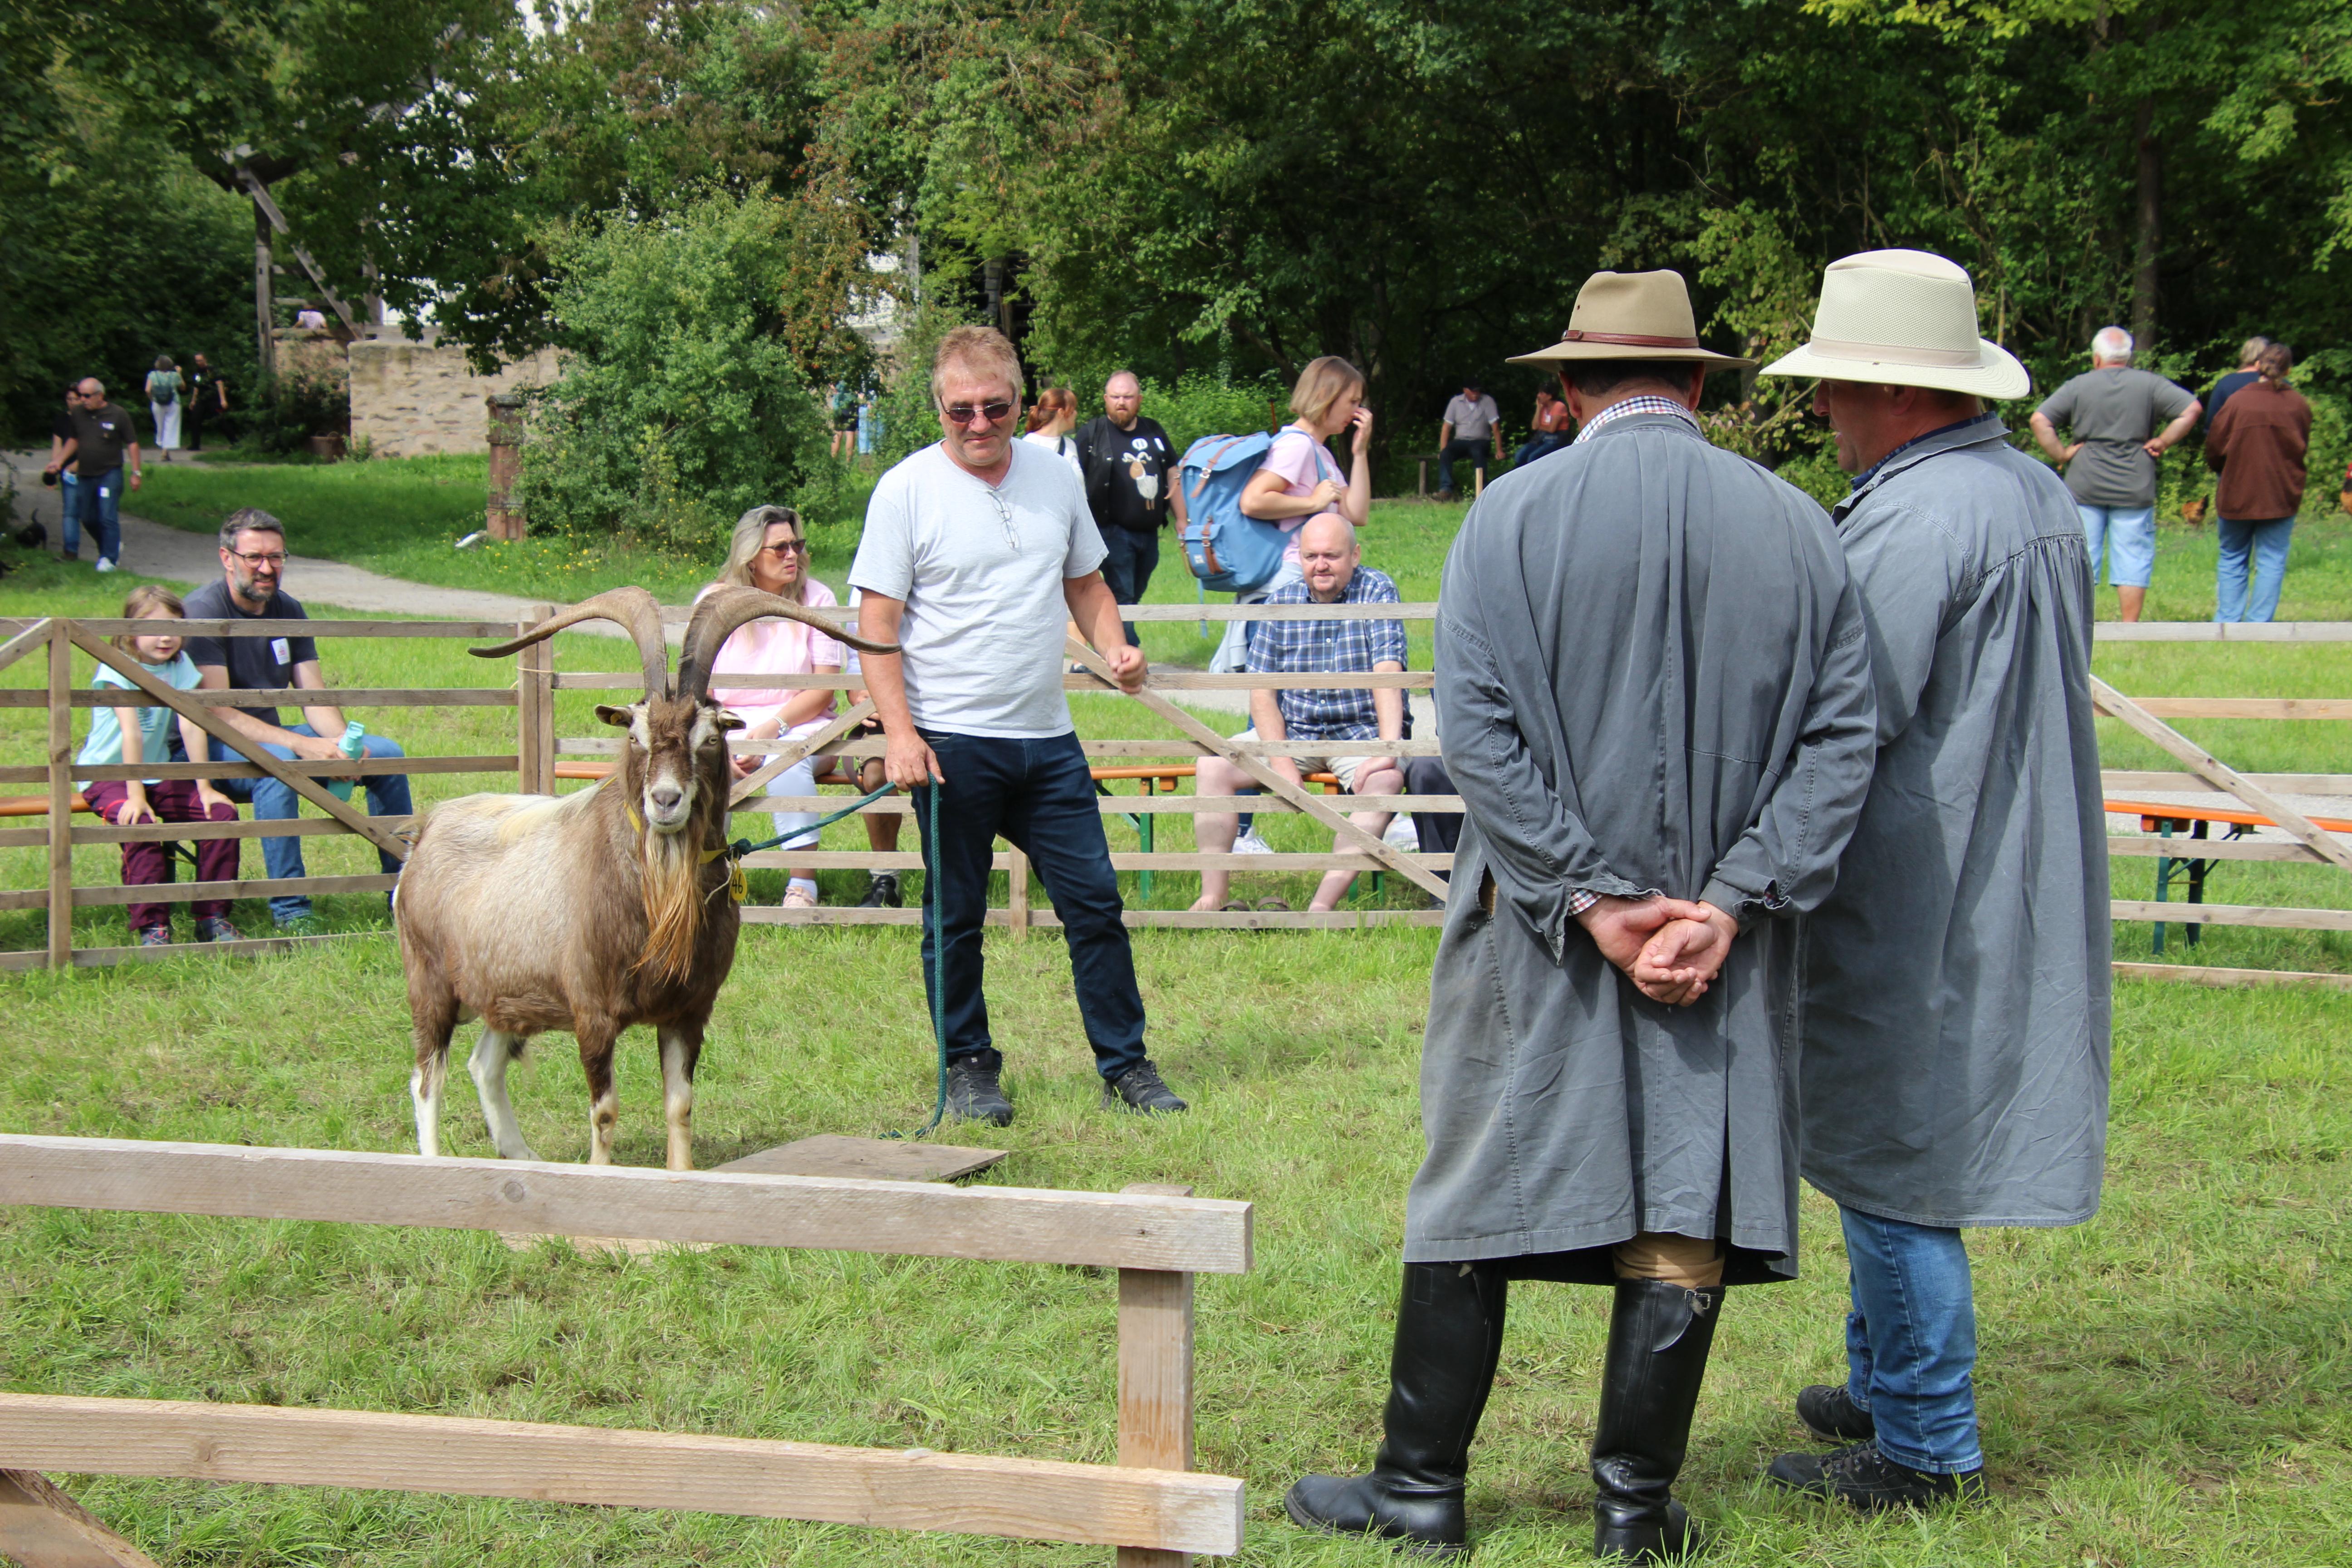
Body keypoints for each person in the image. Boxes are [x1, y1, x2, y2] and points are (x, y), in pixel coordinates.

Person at [1285, 269, 1878, 1564]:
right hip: (1719, 940)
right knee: (1687, 1188)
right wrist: (1726, 904)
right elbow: (1846, 741)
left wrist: (1593, 896)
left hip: (1537, 924)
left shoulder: (1507, 520)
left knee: (1482, 1176)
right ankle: (1630, 1514)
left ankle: (1422, 1492)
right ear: (1704, 385)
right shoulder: (1800, 526)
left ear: (1564, 391)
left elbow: (1478, 736)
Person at [1755, 248, 2111, 1511]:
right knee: (1881, 1134)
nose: (1824, 413)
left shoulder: (1916, 517)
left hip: (1922, 871)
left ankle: (1925, 1446)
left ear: (1898, 393)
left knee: (1897, 1155)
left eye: (1838, 388)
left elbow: (1851, 707)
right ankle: (1882, 1382)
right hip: (1992, 847)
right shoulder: (2027, 494)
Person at [853, 324, 1188, 1126]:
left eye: (993, 408)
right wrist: (900, 735)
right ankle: (969, 1069)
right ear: (937, 405)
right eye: (959, 410)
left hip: (1046, 741)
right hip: (950, 745)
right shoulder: (904, 491)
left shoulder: (1053, 475)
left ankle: (1126, 1066)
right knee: (955, 918)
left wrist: (1115, 645)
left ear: (1017, 398)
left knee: (1094, 905)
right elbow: (875, 626)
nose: (977, 425)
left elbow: (1087, 583)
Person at [184, 509, 413, 931]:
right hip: (206, 747)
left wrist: (344, 742)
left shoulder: (288, 608)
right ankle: (292, 911)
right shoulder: (203, 611)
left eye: (276, 557)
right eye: (254, 557)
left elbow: (312, 695)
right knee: (278, 769)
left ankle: (403, 895)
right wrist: (300, 745)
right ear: (227, 557)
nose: (267, 568)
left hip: (270, 739)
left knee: (386, 755)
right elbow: (215, 711)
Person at [1189, 514, 1405, 914]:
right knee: (1213, 767)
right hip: (1296, 730)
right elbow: (1262, 693)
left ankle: (1320, 907)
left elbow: (1388, 674)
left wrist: (1387, 748)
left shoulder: (1377, 590)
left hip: (1360, 733)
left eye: (1331, 556)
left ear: (1355, 556)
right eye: (1311, 556)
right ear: (1300, 558)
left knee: (1386, 781)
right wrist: (1281, 759)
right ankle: (1214, 895)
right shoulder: (1281, 601)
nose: (1320, 565)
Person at [75, 586, 243, 947]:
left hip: (158, 771)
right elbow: (131, 733)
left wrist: (205, 788)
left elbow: (190, 724)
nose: (166, 637)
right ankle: (152, 926)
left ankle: (212, 917)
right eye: (153, 627)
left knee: (220, 817)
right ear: (130, 629)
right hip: (109, 775)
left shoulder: (180, 666)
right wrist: (136, 797)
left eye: (174, 626)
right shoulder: (117, 667)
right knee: (141, 823)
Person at [699, 505, 845, 908]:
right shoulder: (716, 601)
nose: (792, 555)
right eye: (779, 548)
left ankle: (802, 885)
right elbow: (699, 686)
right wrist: (722, 746)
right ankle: (709, 879)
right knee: (705, 767)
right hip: (730, 726)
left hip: (803, 725)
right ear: (750, 556)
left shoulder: (818, 597)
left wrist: (772, 729)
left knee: (787, 762)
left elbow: (824, 687)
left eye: (797, 545)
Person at [1210, 356, 1374, 680]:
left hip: (1300, 584)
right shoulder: (1296, 446)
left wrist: (1360, 452)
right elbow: (1253, 500)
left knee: (1285, 699)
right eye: (1352, 402)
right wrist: (1313, 501)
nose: (1357, 412)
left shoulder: (1318, 450)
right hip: (1283, 587)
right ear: (1326, 395)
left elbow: (1356, 514)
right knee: (1273, 700)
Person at [2029, 327, 2201, 622]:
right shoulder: (2150, 384)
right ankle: (2130, 626)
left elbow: (2039, 419)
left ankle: (2078, 623)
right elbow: (2192, 409)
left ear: (2097, 358)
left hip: (2085, 483)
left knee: (2081, 556)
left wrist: (2061, 454)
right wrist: (2163, 441)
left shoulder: (2079, 386)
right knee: (2133, 555)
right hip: (2135, 483)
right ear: (2128, 357)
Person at [1073, 371, 1186, 649]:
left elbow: (1173, 469)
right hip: (1111, 530)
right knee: (1121, 593)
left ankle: (1106, 648)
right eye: (1115, 397)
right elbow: (1072, 478)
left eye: (1127, 397)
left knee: (1133, 594)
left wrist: (1182, 518)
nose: (1121, 402)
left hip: (1149, 532)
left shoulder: (1153, 429)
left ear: (1139, 400)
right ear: (1105, 400)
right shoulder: (1092, 433)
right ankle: (1127, 654)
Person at [2205, 342, 2313, 624]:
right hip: (2281, 493)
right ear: (2289, 369)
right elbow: (2302, 448)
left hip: (2237, 491)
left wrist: (2223, 472)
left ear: (2258, 365)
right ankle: (2260, 625)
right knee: (2272, 560)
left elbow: (2214, 447)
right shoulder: (2298, 404)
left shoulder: (2238, 401)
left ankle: (2228, 621)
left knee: (2232, 557)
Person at [51, 378, 142, 573]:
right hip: (85, 474)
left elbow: (132, 443)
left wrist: (136, 472)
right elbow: (74, 440)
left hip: (110, 472)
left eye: (86, 396)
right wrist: (59, 461)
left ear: (100, 395)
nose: (82, 399)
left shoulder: (118, 414)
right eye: (80, 396)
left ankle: (109, 559)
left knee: (107, 516)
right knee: (87, 517)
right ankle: (111, 545)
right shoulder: (78, 414)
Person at [1435, 380, 1501, 498]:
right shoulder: (1455, 402)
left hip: (1481, 440)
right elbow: (1446, 428)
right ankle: (1446, 489)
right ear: (1465, 390)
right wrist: (1443, 449)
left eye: (1478, 391)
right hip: (1461, 441)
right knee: (1446, 454)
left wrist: (1499, 450)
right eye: (1473, 391)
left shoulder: (1488, 401)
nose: (1476, 393)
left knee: (1478, 452)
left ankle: (1482, 489)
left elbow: (1495, 427)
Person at [45, 383, 81, 554]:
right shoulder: (62, 420)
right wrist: (55, 468)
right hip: (68, 472)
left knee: (93, 515)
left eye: (76, 399)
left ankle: (108, 548)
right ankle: (70, 550)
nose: (72, 402)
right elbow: (57, 446)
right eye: (69, 399)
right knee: (70, 512)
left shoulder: (89, 419)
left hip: (89, 469)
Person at [2204, 336, 2270, 427]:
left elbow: (2212, 423)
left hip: (2233, 440)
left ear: (2244, 354)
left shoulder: (2226, 382)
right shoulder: (2279, 383)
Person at [1023, 385, 1083, 481]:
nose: (1076, 413)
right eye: (1072, 410)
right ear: (1061, 413)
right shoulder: (1031, 443)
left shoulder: (1070, 445)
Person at [1513, 386, 1572, 466]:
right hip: (1541, 439)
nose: (1538, 396)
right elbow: (1534, 427)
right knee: (1520, 456)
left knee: (1533, 457)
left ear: (1550, 396)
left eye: (1542, 393)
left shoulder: (1559, 406)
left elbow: (1552, 429)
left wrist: (1540, 426)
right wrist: (1539, 409)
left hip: (1556, 440)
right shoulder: (1543, 407)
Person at [187, 354, 230, 452]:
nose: (199, 363)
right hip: (202, 400)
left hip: (213, 399)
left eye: (200, 360)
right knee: (195, 419)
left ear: (205, 360)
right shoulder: (198, 372)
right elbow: (196, 386)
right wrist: (193, 400)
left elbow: (220, 384)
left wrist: (223, 400)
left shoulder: (212, 370)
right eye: (197, 361)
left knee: (220, 420)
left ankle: (234, 442)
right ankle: (195, 444)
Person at [146, 355, 184, 462]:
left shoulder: (152, 375)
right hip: (174, 403)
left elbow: (148, 390)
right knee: (171, 427)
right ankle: (165, 452)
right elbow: (183, 387)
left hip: (157, 404)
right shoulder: (174, 375)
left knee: (161, 427)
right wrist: (180, 374)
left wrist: (153, 400)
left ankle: (164, 451)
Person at [829, 382, 858, 460]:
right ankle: (849, 462)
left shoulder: (836, 374)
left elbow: (832, 385)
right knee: (850, 434)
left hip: (838, 406)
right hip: (850, 405)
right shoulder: (853, 374)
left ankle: (833, 459)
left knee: (837, 433)